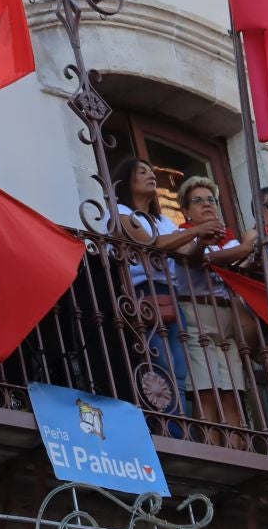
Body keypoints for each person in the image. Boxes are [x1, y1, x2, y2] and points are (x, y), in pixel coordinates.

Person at [108, 160, 214, 423]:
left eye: (152, 171)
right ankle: (169, 426)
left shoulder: (164, 220)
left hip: (169, 292)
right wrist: (198, 230)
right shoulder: (120, 212)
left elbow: (184, 254)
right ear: (126, 181)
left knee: (178, 367)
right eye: (142, 172)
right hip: (142, 293)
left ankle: (179, 424)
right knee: (159, 363)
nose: (151, 176)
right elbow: (150, 244)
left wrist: (202, 242)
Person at [174, 175, 257, 426]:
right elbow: (194, 258)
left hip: (228, 320)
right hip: (198, 315)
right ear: (186, 211)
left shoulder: (229, 239)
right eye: (198, 201)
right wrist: (245, 248)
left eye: (211, 200)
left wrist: (245, 249)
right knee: (206, 390)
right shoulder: (181, 235)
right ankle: (214, 444)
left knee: (233, 392)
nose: (207, 204)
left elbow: (240, 263)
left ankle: (238, 451)